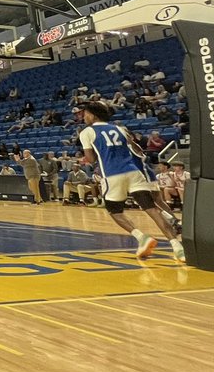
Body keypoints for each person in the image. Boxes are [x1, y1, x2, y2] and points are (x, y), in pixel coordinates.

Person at [78, 102, 184, 262]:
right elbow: (136, 149)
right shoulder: (120, 128)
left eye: (85, 113)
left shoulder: (87, 132)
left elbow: (92, 159)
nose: (83, 117)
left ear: (93, 115)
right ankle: (177, 246)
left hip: (113, 174)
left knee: (115, 212)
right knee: (152, 209)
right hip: (134, 171)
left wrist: (96, 158)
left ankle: (141, 237)